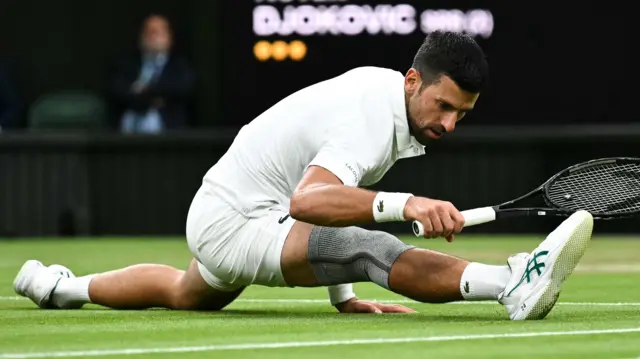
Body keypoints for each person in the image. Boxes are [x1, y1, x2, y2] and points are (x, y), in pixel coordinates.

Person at [13, 31, 593, 320]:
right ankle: (511, 284)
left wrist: (341, 294)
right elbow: (312, 201)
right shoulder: (371, 114)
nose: (449, 123)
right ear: (412, 80)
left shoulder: (388, 103)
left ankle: (60, 288)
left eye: (461, 115)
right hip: (239, 219)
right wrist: (408, 204)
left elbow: (331, 196)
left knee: (183, 291)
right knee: (369, 245)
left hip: (219, 209)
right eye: (443, 106)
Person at [106, 14, 194, 134]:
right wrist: (153, 99)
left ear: (169, 37)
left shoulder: (178, 66)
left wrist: (143, 91)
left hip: (167, 132)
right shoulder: (127, 63)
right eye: (147, 32)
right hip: (128, 126)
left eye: (156, 32)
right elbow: (117, 89)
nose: (151, 37)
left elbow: (181, 89)